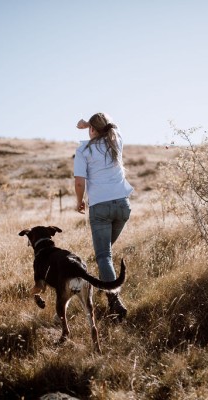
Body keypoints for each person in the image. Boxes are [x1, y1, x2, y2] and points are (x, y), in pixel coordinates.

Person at [74, 112, 133, 321]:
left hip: (100, 208)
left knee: (103, 256)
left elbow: (80, 181)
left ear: (92, 129)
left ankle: (114, 302)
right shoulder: (116, 142)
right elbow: (112, 128)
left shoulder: (84, 150)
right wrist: (90, 124)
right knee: (104, 252)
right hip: (123, 207)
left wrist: (79, 201)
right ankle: (105, 284)